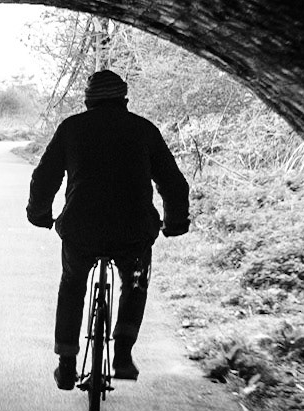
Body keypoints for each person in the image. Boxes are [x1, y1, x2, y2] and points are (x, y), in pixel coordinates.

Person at [27, 68, 190, 388]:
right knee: (136, 282)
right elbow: (173, 183)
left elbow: (44, 177)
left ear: (88, 101)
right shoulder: (144, 130)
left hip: (81, 229)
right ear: (124, 100)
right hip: (133, 231)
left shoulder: (72, 128)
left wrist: (40, 214)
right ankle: (123, 354)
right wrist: (175, 223)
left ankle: (67, 363)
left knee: (72, 283)